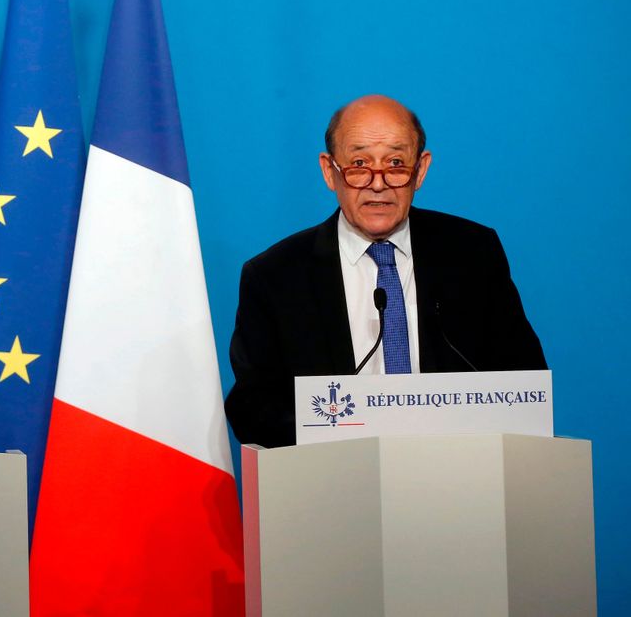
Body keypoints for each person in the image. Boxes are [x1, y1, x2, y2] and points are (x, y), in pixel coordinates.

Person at [224, 95, 546, 448]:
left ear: (420, 170)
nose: (378, 184)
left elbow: (523, 382)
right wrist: (341, 433)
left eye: (396, 163)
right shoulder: (275, 276)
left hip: (460, 474)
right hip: (334, 481)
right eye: (359, 163)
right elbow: (253, 406)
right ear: (330, 171)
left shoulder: (472, 254)